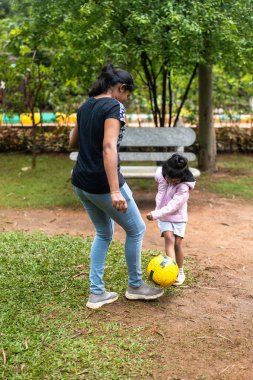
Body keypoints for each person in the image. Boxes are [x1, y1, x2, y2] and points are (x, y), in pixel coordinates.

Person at [70, 64, 164, 309]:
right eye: (128, 94)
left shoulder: (86, 105)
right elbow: (109, 147)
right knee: (136, 230)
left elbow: (72, 141)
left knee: (104, 233)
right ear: (121, 88)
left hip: (81, 182)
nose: (127, 99)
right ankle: (135, 286)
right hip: (103, 184)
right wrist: (114, 190)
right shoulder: (114, 106)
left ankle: (97, 293)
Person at [146, 154, 196, 286]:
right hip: (162, 215)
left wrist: (156, 213)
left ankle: (179, 271)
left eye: (176, 180)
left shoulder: (184, 188)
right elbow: (161, 182)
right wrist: (158, 211)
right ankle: (171, 272)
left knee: (177, 244)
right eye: (170, 179)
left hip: (177, 216)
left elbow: (172, 207)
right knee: (169, 238)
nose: (172, 182)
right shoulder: (162, 176)